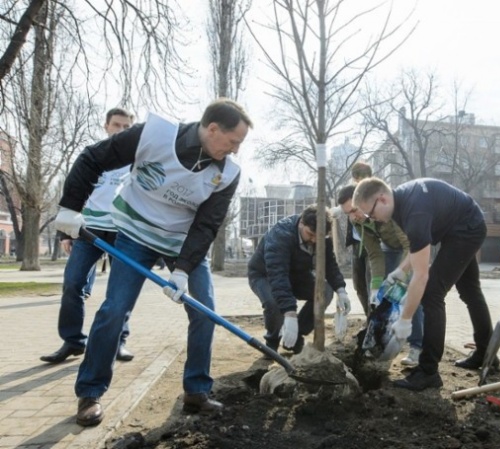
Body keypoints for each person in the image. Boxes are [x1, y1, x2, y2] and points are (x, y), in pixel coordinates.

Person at [54, 98, 252, 427]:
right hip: (135, 232)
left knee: (205, 311)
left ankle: (196, 391)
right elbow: (93, 158)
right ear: (213, 129)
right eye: (233, 142)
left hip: (181, 242)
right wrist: (71, 208)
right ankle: (90, 391)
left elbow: (206, 225)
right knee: (115, 309)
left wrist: (183, 270)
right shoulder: (154, 136)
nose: (235, 150)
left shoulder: (228, 173)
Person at [352, 177, 496, 391]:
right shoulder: (400, 203)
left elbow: (421, 276)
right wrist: (400, 271)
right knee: (470, 291)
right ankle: (487, 354)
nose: (372, 220)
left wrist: (405, 321)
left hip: (467, 228)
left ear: (381, 199)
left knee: (432, 294)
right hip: (458, 226)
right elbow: (417, 247)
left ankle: (429, 371)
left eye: (371, 214)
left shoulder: (414, 212)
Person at [41, 108, 136, 365]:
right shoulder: (92, 155)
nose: (121, 131)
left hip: (123, 232)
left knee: (121, 290)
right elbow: (73, 192)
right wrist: (65, 232)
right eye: (117, 125)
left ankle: (119, 341)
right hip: (88, 229)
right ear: (106, 126)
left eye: (127, 127)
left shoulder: (139, 160)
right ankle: (73, 341)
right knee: (72, 283)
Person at [337, 184, 423, 366]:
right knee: (383, 295)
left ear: (363, 202)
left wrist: (404, 281)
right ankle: (381, 342)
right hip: (390, 248)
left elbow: (409, 246)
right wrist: (376, 287)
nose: (353, 217)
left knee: (410, 293)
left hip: (414, 243)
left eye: (354, 210)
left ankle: (417, 346)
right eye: (348, 214)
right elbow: (374, 254)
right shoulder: (357, 221)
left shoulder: (388, 209)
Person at [247, 205, 350, 354]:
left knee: (325, 291)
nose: (314, 240)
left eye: (318, 237)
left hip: (298, 274)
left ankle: (296, 335)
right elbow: (278, 275)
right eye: (310, 234)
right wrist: (289, 313)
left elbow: (329, 265)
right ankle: (272, 341)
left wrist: (341, 290)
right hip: (265, 274)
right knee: (274, 302)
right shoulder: (281, 235)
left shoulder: (322, 238)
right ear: (302, 223)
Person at [345, 161, 373, 315]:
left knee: (371, 284)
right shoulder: (350, 192)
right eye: (357, 177)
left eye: (363, 176)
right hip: (357, 245)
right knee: (359, 285)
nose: (359, 180)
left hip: (372, 245)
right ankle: (369, 317)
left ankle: (373, 323)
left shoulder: (374, 192)